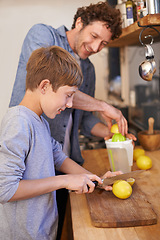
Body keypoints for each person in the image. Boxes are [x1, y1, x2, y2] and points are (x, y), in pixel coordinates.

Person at [0, 46, 121, 240]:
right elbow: (5, 189)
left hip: (42, 232)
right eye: (68, 95)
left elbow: (58, 157)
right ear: (45, 86)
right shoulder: (19, 122)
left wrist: (97, 180)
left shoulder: (39, 121)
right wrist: (63, 181)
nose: (71, 104)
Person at [9, 1, 134, 166]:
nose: (96, 47)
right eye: (94, 36)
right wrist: (103, 106)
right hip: (31, 159)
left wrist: (109, 134)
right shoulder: (43, 35)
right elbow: (53, 84)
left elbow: (85, 118)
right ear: (79, 23)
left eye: (103, 43)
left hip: (63, 160)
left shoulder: (88, 69)